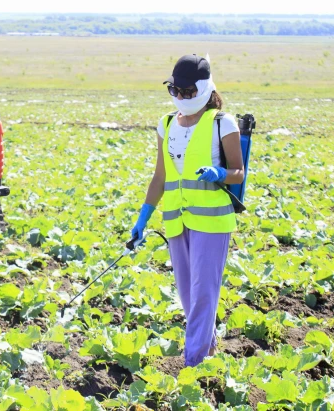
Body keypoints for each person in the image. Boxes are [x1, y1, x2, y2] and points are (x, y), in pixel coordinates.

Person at [132, 54, 244, 367]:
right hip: (176, 220)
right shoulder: (166, 124)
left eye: (188, 92)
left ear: (205, 88)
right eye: (175, 91)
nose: (181, 97)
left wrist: (220, 174)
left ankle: (192, 362)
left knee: (204, 294)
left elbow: (239, 172)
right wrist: (143, 218)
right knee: (188, 296)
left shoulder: (223, 123)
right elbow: (160, 176)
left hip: (212, 221)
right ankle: (208, 351)